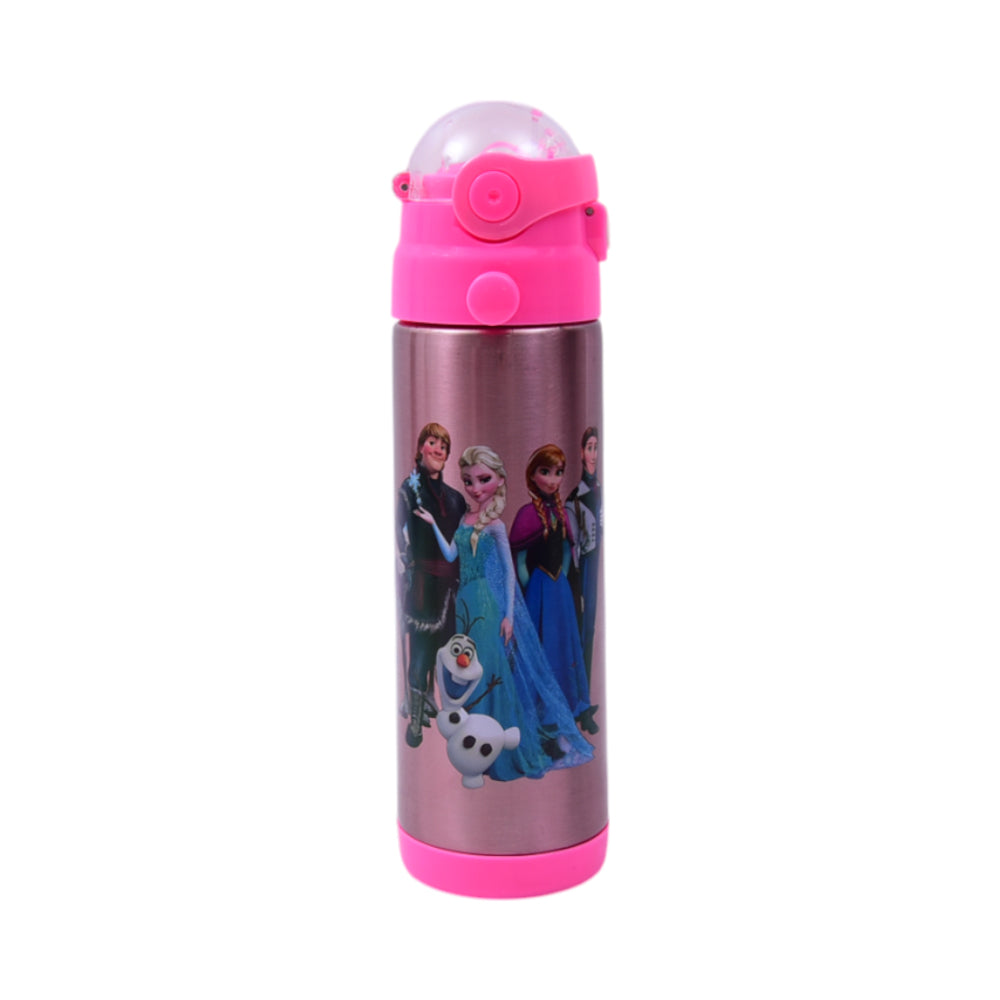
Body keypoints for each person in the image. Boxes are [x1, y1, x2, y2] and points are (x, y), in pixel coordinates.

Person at [415, 446, 593, 780]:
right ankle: (470, 749)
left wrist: (508, 614)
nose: (475, 488)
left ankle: (496, 748)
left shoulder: (495, 525)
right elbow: (451, 554)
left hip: (485, 600)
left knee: (489, 667)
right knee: (467, 667)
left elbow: (510, 573)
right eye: (468, 481)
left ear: (499, 481)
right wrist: (433, 523)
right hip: (464, 602)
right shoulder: (465, 520)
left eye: (483, 479)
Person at [510, 444, 596, 733]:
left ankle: (568, 706)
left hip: (560, 590)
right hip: (539, 588)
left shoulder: (561, 513)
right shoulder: (526, 515)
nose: (552, 480)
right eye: (545, 472)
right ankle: (541, 716)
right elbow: (521, 560)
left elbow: (567, 551)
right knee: (540, 649)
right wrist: (530, 590)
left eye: (558, 473)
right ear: (532, 475)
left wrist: (566, 584)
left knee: (562, 647)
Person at [396, 422, 465, 747]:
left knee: (446, 652)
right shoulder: (408, 491)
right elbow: (399, 535)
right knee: (421, 652)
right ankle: (415, 721)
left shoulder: (455, 499)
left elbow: (460, 545)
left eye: (443, 445)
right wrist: (404, 562)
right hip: (422, 584)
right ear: (420, 447)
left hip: (450, 588)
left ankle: (440, 707)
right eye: (432, 442)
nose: (437, 449)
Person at [566, 427, 602, 734]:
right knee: (581, 635)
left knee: (591, 633)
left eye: (596, 447)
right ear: (581, 453)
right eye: (588, 447)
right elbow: (574, 546)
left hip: (598, 565)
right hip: (583, 570)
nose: (593, 454)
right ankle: (579, 704)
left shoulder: (600, 489)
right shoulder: (575, 498)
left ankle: (585, 701)